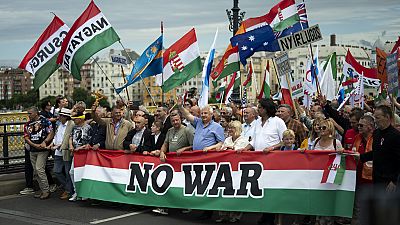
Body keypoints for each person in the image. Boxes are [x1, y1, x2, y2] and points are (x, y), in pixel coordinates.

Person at [242, 98, 286, 225]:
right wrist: (244, 149)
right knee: (261, 187)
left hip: (273, 160)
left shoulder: (278, 122)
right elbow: (254, 141)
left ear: (266, 109)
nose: (258, 109)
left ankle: (270, 217)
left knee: (270, 189)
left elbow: (285, 139)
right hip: (259, 161)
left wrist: (272, 148)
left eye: (260, 107)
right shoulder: (256, 123)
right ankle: (264, 214)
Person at [154, 113, 194, 215]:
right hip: (171, 162)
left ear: (181, 119)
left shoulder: (187, 130)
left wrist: (184, 149)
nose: (175, 122)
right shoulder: (169, 131)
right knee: (168, 184)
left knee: (182, 185)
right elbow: (165, 143)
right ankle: (164, 207)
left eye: (177, 120)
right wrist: (162, 152)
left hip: (183, 163)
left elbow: (193, 146)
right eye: (173, 121)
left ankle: (186, 205)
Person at [360, 105, 400, 193]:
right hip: (376, 178)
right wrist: (360, 157)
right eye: (374, 118)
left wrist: (394, 181)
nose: (375, 121)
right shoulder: (376, 133)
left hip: (389, 181)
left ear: (387, 117)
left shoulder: (396, 136)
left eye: (378, 118)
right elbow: (376, 152)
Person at [215, 120, 248, 223]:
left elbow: (237, 152)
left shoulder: (244, 140)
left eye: (232, 128)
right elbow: (223, 149)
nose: (229, 130)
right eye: (229, 128)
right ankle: (223, 215)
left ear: (238, 129)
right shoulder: (228, 139)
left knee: (236, 192)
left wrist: (229, 148)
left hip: (238, 170)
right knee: (224, 191)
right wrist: (228, 148)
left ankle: (235, 215)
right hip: (226, 168)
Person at [24, 106, 54, 200]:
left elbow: (51, 132)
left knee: (39, 169)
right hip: (33, 150)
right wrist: (34, 145)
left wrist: (45, 142)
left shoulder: (45, 121)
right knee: (36, 172)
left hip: (43, 150)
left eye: (30, 113)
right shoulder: (28, 124)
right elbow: (26, 137)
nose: (28, 115)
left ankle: (46, 190)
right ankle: (43, 190)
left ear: (36, 113)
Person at [47, 108, 75, 200]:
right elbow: (56, 136)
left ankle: (68, 190)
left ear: (65, 117)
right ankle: (67, 187)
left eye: (60, 116)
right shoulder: (59, 124)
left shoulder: (71, 124)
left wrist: (59, 145)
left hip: (66, 150)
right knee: (57, 171)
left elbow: (69, 138)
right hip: (58, 151)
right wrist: (52, 144)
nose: (58, 117)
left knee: (67, 172)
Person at [68, 111, 92, 201]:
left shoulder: (88, 128)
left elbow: (90, 142)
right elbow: (70, 137)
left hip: (85, 153)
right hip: (76, 153)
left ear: (81, 118)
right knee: (72, 172)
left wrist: (81, 147)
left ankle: (84, 192)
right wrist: (70, 145)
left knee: (84, 173)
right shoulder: (74, 127)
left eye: (75, 118)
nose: (74, 120)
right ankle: (76, 192)